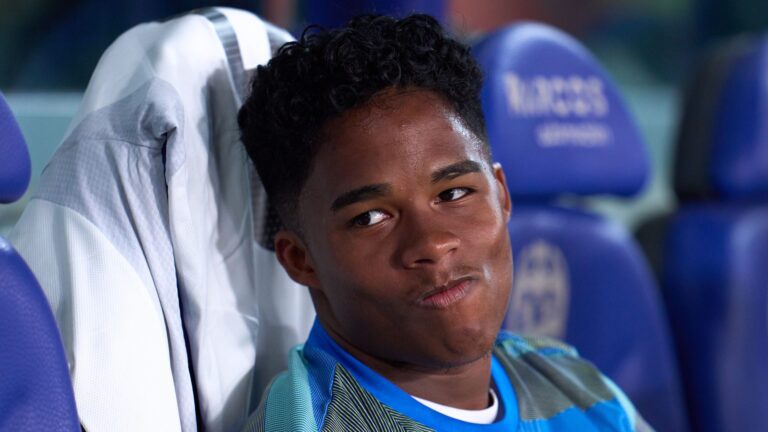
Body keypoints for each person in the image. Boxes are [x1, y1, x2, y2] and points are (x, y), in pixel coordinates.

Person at [237, 13, 651, 431]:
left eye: (454, 194)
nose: (432, 244)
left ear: (501, 194)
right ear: (301, 260)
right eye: (370, 218)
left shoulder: (578, 387)